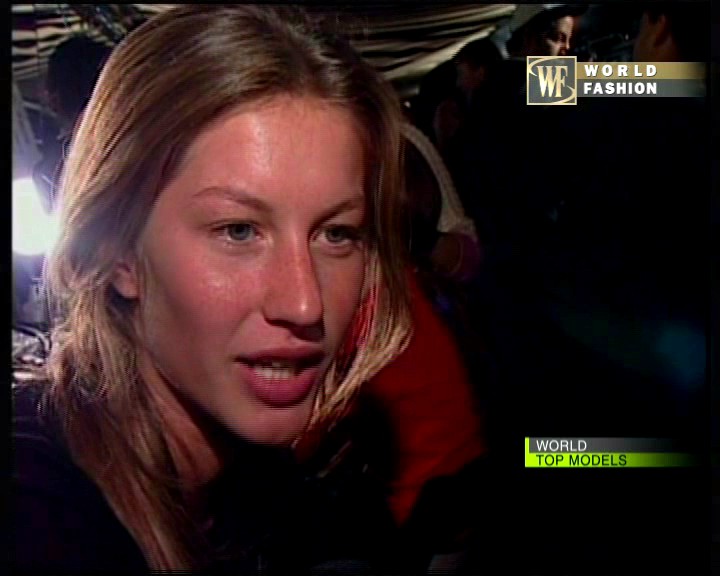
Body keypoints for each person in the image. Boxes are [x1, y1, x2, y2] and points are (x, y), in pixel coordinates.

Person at [12, 5, 416, 573]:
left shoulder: (293, 500)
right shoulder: (36, 508)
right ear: (118, 252)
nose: (304, 304)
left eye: (336, 234)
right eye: (238, 231)